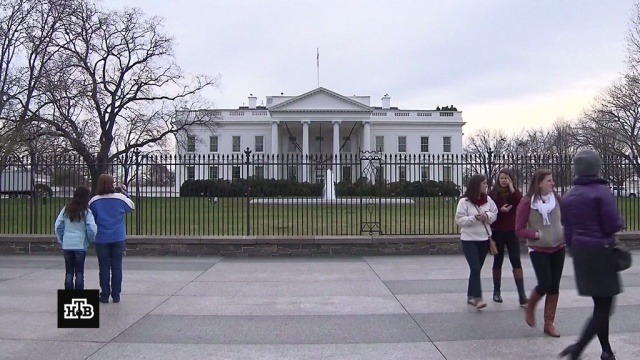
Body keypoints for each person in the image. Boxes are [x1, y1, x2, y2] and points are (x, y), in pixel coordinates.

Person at [558, 150, 624, 360]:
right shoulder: (601, 192)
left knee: (599, 305)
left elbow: (567, 229)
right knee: (606, 307)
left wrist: (573, 247)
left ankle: (606, 351)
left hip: (580, 252)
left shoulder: (569, 196)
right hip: (601, 252)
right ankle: (577, 349)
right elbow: (613, 224)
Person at [515, 169, 565, 338]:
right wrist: (533, 234)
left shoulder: (556, 199)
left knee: (554, 285)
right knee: (545, 283)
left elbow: (566, 217)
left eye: (552, 180)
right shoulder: (527, 202)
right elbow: (519, 229)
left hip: (559, 247)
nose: (552, 183)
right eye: (549, 181)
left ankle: (549, 323)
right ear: (539, 183)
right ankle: (530, 306)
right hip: (538, 249)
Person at [455, 174, 499, 310]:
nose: (486, 185)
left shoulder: (489, 200)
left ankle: (470, 295)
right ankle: (478, 298)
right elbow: (459, 220)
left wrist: (488, 216)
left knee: (477, 269)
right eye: (484, 183)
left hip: (484, 239)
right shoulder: (465, 202)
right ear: (477, 185)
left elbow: (495, 214)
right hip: (469, 240)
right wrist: (475, 218)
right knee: (474, 268)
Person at [89, 174, 135, 303]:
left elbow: (90, 216)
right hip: (118, 237)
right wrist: (126, 193)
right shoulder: (120, 198)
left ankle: (104, 294)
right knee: (116, 267)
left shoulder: (94, 201)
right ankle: (116, 294)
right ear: (112, 184)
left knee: (103, 267)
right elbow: (131, 207)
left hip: (101, 238)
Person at [488, 168, 527, 306]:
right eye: (501, 178)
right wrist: (500, 210)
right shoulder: (493, 194)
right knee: (498, 260)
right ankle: (496, 291)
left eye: (506, 178)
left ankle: (522, 294)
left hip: (511, 231)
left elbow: (520, 202)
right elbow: (489, 211)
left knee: (516, 260)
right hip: (498, 231)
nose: (503, 180)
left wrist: (512, 188)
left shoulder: (514, 193)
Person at [54, 185, 97, 290]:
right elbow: (92, 228)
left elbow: (58, 225)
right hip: (80, 245)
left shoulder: (66, 210)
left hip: (67, 244)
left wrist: (62, 239)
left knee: (68, 273)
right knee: (79, 273)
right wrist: (88, 240)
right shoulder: (86, 212)